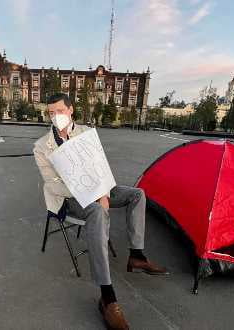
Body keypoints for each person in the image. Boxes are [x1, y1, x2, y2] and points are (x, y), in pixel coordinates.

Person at [33, 93, 168, 329]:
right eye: (51, 113)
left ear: (70, 110)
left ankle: (137, 255)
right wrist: (90, 194)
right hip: (70, 197)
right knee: (96, 211)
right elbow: (52, 183)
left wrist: (103, 192)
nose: (55, 117)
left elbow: (100, 165)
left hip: (100, 187)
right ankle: (107, 297)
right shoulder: (41, 147)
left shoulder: (86, 132)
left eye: (60, 111)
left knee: (138, 194)